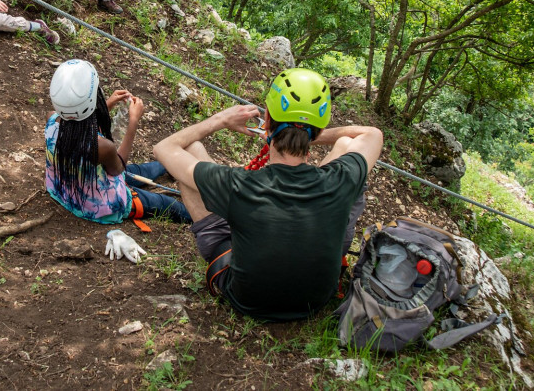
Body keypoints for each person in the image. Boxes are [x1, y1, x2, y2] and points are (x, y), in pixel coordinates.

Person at [153, 68, 383, 321]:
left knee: (191, 147)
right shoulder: (339, 179)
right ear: (318, 128)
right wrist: (304, 134)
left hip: (247, 298)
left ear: (268, 119)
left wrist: (220, 120)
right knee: (345, 145)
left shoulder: (238, 184)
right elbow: (371, 134)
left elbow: (164, 147)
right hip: (314, 301)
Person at [45, 59, 192, 225]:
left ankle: (169, 164)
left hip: (65, 190)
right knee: (169, 204)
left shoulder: (51, 118)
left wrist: (107, 105)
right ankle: (206, 219)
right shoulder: (101, 147)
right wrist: (133, 120)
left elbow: (77, 124)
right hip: (97, 206)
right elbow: (118, 168)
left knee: (141, 169)